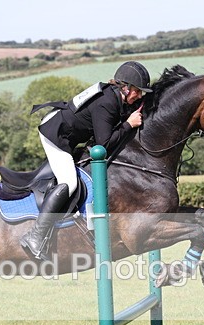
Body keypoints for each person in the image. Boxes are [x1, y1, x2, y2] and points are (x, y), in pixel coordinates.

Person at [19, 60, 153, 260]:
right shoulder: (107, 102)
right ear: (125, 88)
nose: (139, 95)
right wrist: (128, 124)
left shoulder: (115, 97)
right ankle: (35, 236)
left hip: (67, 132)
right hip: (55, 134)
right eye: (137, 91)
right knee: (69, 183)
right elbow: (103, 144)